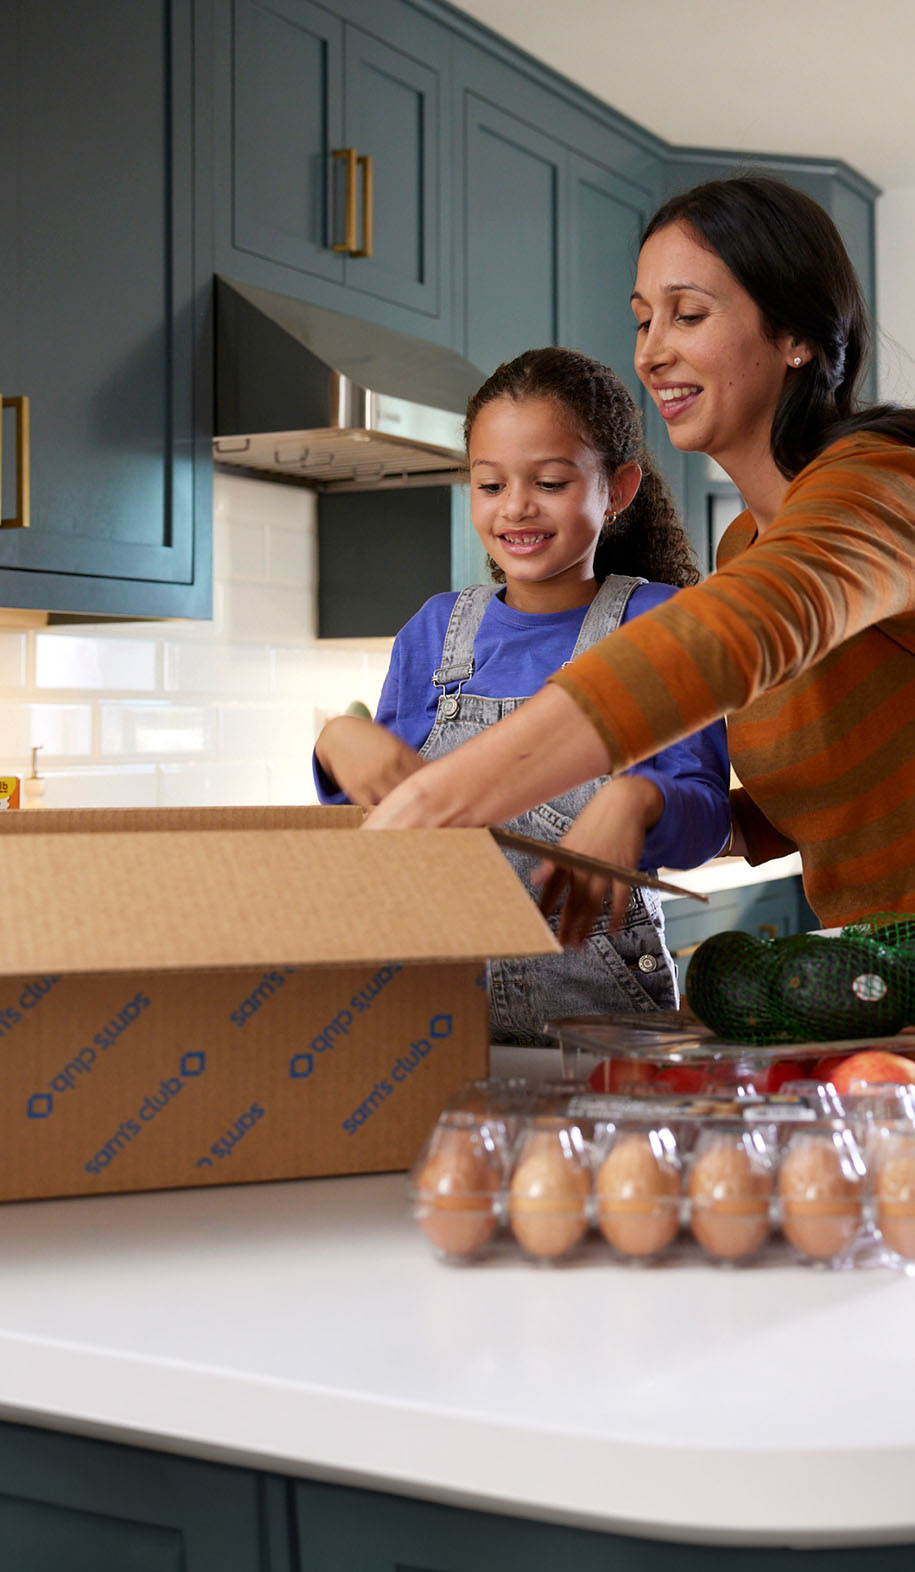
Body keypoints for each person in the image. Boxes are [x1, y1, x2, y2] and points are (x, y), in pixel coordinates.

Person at [364, 173, 915, 942]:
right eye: (642, 320)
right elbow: (834, 797)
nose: (652, 352)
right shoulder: (743, 546)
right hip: (883, 970)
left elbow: (741, 628)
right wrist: (640, 806)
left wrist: (449, 793)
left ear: (795, 336)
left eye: (687, 315)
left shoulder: (883, 485)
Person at [314, 347, 730, 1041]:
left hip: (604, 1019)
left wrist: (638, 799)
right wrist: (334, 745)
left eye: (550, 481)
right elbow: (385, 829)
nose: (516, 508)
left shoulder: (660, 624)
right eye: (489, 485)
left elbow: (706, 817)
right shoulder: (433, 631)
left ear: (617, 490)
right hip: (435, 1016)